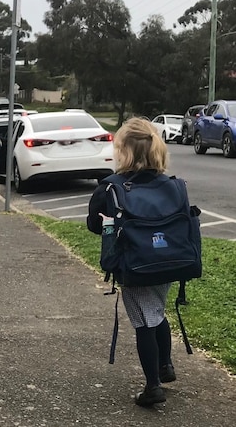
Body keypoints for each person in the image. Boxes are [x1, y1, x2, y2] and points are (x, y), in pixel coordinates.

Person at [86, 118, 176, 407]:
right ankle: (166, 365)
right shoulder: (171, 185)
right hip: (169, 260)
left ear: (123, 152)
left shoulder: (111, 188)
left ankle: (153, 386)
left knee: (143, 322)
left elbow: (93, 224)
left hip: (133, 265)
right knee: (157, 312)